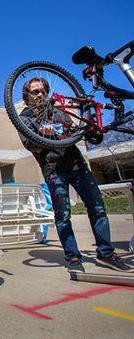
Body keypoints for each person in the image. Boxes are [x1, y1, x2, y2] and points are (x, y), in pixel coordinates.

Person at [18, 77, 132, 273]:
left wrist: (74, 131)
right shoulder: (24, 117)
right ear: (27, 95)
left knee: (97, 208)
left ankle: (106, 253)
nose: (41, 94)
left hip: (76, 163)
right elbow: (30, 145)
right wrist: (43, 135)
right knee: (63, 215)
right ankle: (72, 257)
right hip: (53, 168)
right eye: (35, 91)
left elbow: (73, 132)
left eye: (43, 90)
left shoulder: (58, 110)